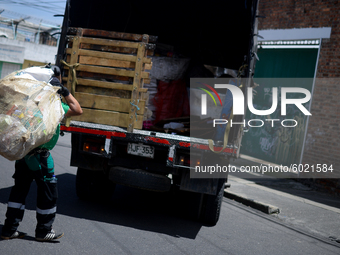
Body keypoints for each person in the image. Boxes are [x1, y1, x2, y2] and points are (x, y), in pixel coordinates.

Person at [1, 65, 82, 241]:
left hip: (23, 154)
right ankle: (44, 231)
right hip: (41, 157)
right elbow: (77, 109)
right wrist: (65, 91)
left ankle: (9, 229)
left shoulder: (24, 103)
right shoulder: (53, 106)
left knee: (19, 191)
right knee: (48, 193)